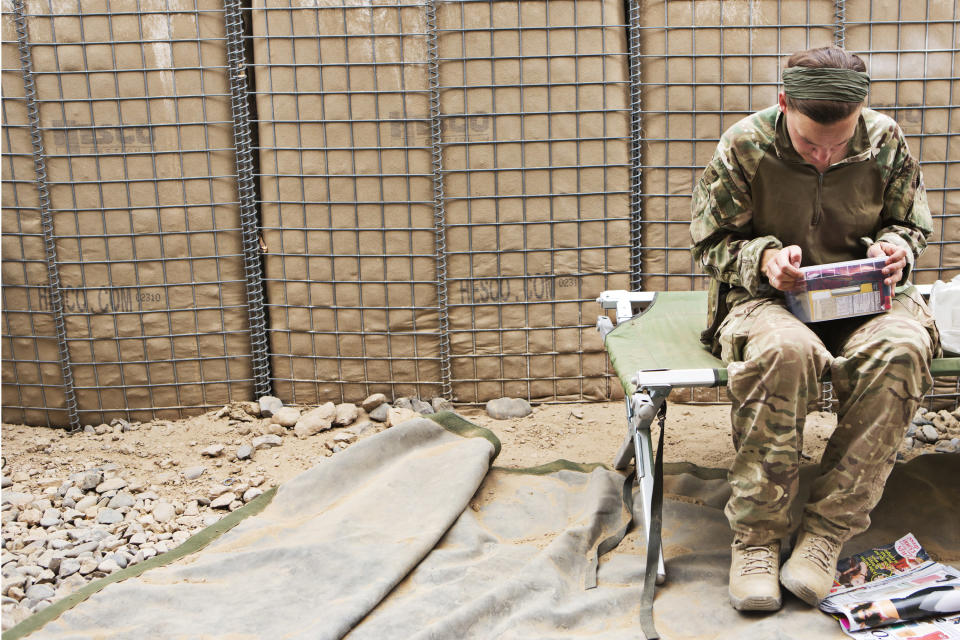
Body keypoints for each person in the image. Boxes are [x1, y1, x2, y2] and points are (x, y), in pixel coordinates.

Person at [689, 46, 941, 612]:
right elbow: (708, 243)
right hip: (769, 300)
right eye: (809, 144)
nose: (825, 155)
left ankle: (826, 534)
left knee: (901, 347)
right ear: (784, 105)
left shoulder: (885, 140)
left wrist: (896, 248)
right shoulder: (744, 146)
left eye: (839, 143)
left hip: (865, 298)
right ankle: (756, 540)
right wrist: (763, 260)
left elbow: (910, 223)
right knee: (785, 351)